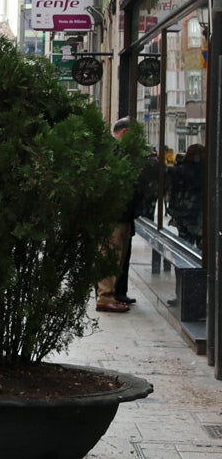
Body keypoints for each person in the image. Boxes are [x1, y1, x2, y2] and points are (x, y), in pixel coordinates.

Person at [97, 117, 140, 313]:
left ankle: (110, 295)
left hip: (119, 214)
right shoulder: (114, 152)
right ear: (124, 132)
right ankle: (105, 297)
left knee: (116, 256)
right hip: (115, 215)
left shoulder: (115, 151)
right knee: (111, 255)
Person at [167, 143, 205, 248]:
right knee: (203, 248)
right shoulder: (209, 171)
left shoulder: (180, 170)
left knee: (184, 246)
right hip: (202, 213)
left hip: (183, 213)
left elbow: (173, 190)